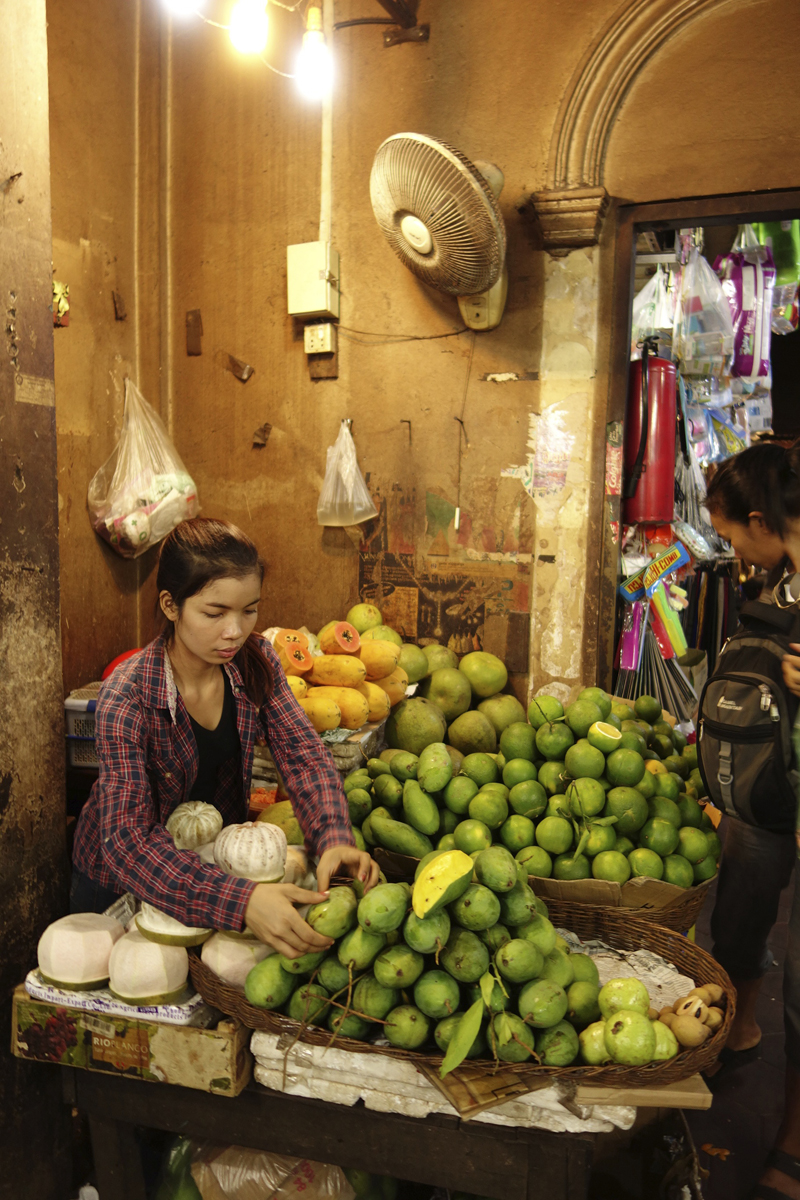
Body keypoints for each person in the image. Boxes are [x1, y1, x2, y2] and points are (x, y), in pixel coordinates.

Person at [71, 516, 379, 960]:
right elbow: (127, 841)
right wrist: (242, 901)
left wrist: (333, 836)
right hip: (120, 886)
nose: (235, 631)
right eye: (214, 613)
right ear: (171, 605)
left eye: (249, 609)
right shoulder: (129, 695)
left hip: (214, 870)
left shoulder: (256, 661)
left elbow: (303, 756)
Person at [704, 442, 800, 1200]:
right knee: (742, 899)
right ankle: (741, 1022)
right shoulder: (785, 575)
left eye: (735, 535)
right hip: (773, 793)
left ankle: (794, 1140)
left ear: (763, 520)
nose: (733, 551)